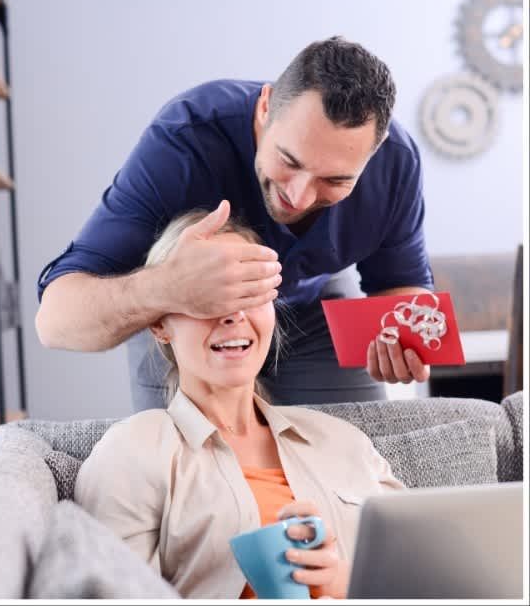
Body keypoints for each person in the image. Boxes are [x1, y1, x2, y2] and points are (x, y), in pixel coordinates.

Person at [36, 36, 434, 410]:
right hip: (186, 310)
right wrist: (165, 289)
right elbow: (54, 322)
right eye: (289, 161)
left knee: (352, 453)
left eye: (334, 180)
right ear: (265, 108)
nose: (299, 197)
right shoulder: (184, 143)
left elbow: (401, 287)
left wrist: (402, 341)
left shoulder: (396, 164)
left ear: (375, 154)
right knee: (179, 465)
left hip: (313, 306)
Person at [72, 210, 406, 599]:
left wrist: (339, 580)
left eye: (250, 292)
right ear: (159, 323)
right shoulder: (133, 451)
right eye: (207, 296)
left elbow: (422, 574)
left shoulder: (343, 441)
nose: (233, 315)